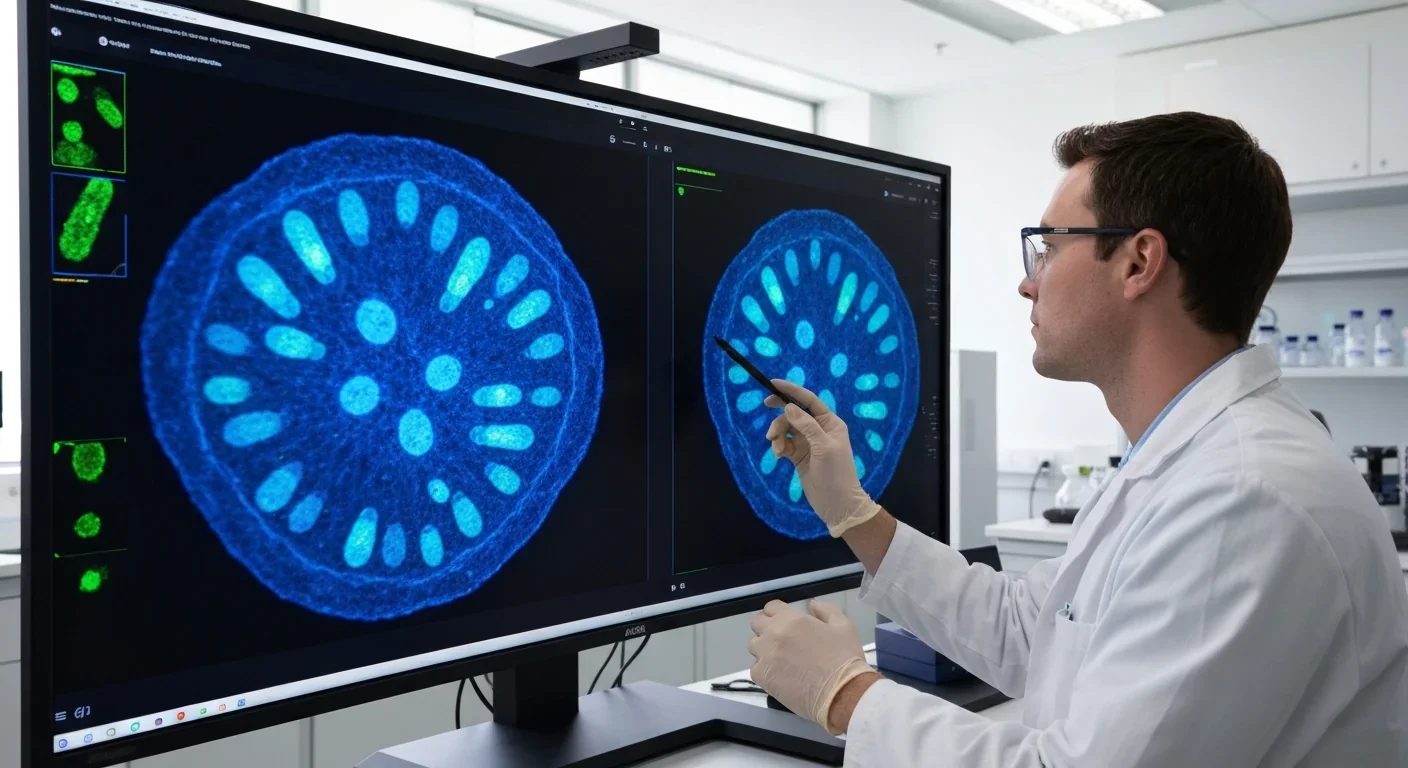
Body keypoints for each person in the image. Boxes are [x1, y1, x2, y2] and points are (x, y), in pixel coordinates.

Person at [746, 112, 1408, 766]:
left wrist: (846, 695)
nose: (1027, 281)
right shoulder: (1182, 462)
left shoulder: (1243, 498)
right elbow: (1029, 630)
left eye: (1050, 247)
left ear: (1139, 262)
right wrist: (853, 513)